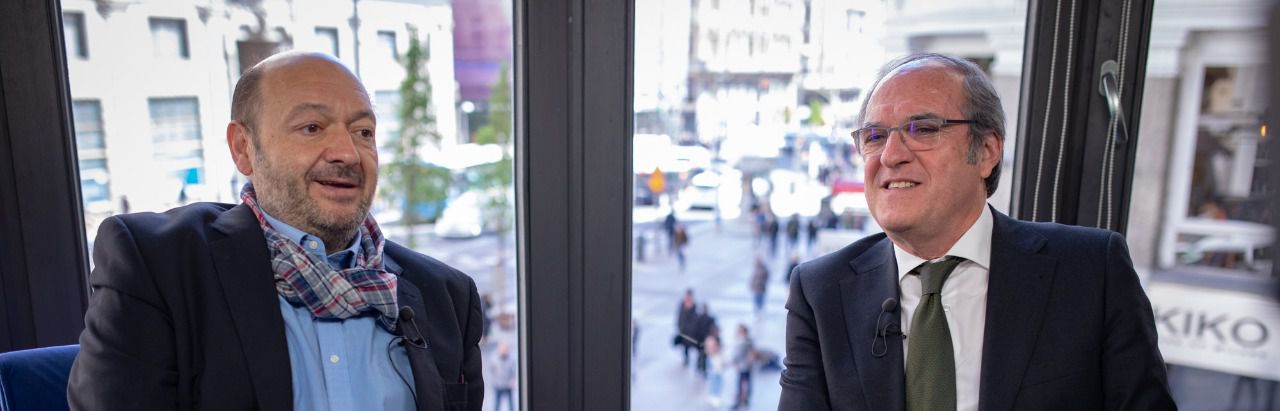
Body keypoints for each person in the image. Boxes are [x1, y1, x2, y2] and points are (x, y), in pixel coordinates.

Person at [68, 52, 485, 410]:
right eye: (311, 128)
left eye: (364, 132)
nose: (347, 153)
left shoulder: (446, 295)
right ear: (243, 149)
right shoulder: (158, 266)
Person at [778, 53, 1175, 411]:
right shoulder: (821, 291)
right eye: (875, 136)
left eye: (923, 129)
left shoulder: (1090, 271)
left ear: (986, 151)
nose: (891, 155)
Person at [732, 324, 755, 410]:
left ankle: (741, 400)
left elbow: (737, 354)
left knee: (741, 384)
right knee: (746, 383)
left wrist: (734, 361)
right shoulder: (749, 340)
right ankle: (745, 399)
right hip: (747, 366)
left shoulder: (742, 341)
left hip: (743, 367)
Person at [489, 341, 517, 411]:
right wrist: (495, 381)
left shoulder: (511, 359)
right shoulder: (495, 359)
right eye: (502, 349)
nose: (504, 351)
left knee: (511, 405)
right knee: (496, 405)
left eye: (505, 349)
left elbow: (513, 372)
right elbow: (492, 371)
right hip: (498, 385)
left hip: (508, 385)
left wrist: (511, 382)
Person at [675, 289, 699, 366]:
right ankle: (686, 358)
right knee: (684, 345)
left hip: (690, 330)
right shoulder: (682, 304)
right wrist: (679, 325)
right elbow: (679, 315)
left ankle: (690, 359)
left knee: (689, 345)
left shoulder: (694, 305)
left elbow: (695, 317)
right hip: (683, 329)